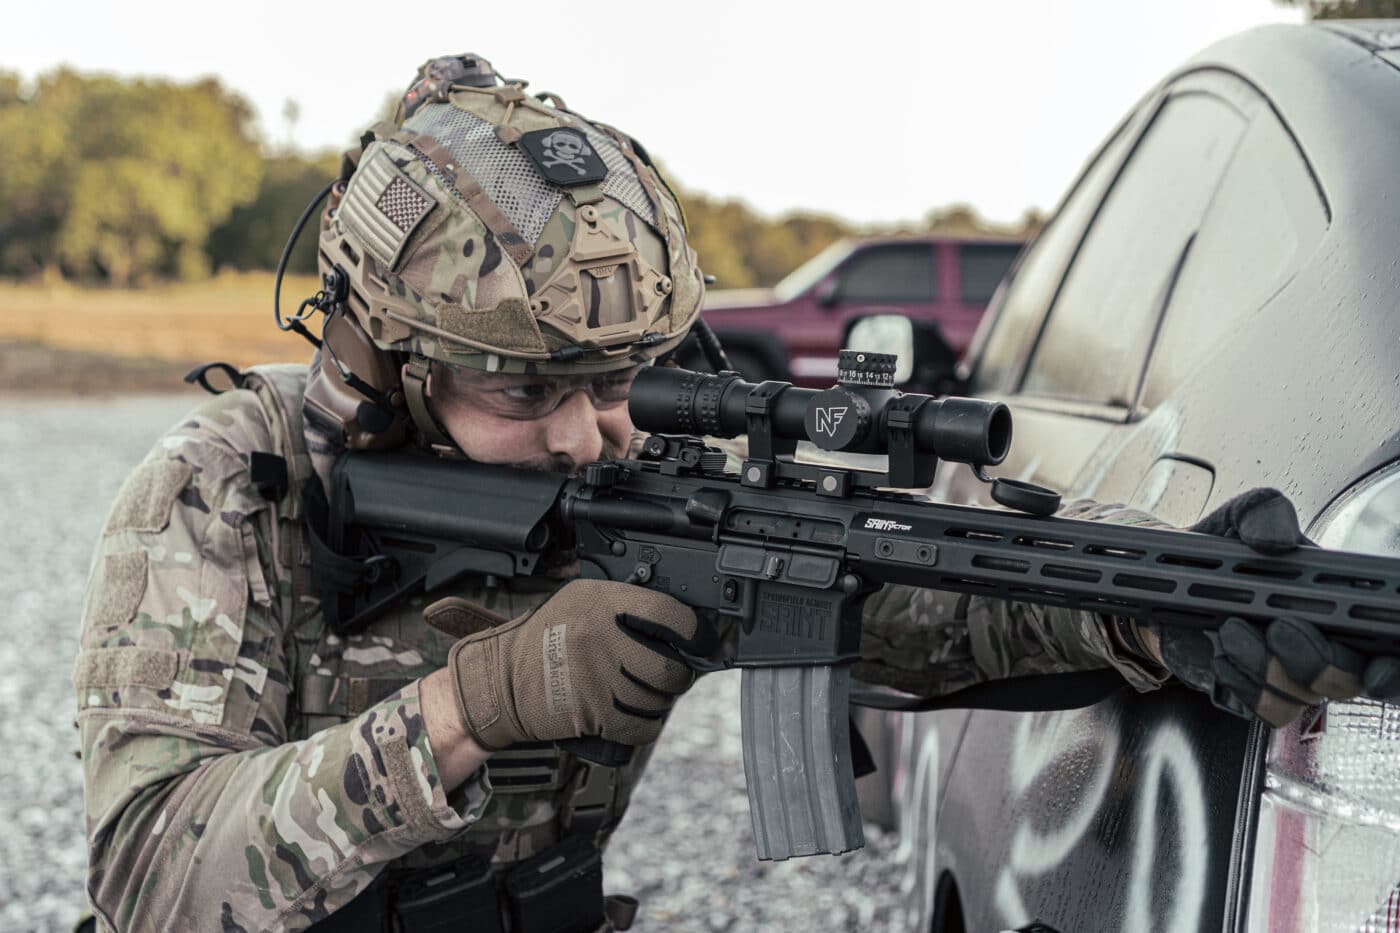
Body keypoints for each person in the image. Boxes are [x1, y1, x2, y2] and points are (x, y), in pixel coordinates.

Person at [74, 54, 1394, 933]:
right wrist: (478, 703)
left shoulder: (638, 475)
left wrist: (1151, 611)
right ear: (385, 370)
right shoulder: (225, 493)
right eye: (535, 397)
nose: (597, 437)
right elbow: (150, 876)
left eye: (623, 383)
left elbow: (912, 608)